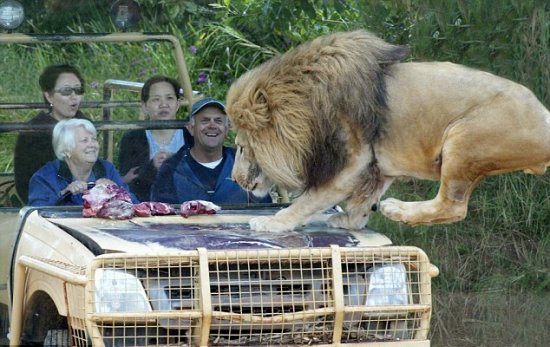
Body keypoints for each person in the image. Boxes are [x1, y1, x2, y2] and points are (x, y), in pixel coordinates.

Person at [151, 98, 272, 204]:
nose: (212, 125)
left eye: (218, 121)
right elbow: (162, 217)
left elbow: (264, 210)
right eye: (205, 120)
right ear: (191, 128)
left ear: (226, 128)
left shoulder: (246, 163)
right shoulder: (171, 168)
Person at [14, 64, 89, 204]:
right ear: (49, 96)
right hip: (49, 205)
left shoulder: (85, 124)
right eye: (66, 91)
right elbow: (26, 185)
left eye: (78, 90)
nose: (74, 97)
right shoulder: (34, 132)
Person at [28, 119, 138, 206]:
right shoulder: (44, 177)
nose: (93, 145)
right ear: (66, 150)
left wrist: (116, 190)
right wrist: (64, 194)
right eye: (85, 140)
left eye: (94, 139)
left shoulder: (106, 169)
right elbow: (36, 214)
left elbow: (136, 205)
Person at [118, 75, 193, 201]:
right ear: (144, 106)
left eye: (169, 98)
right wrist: (152, 167)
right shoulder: (132, 139)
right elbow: (128, 184)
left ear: (178, 103)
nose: (164, 104)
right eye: (156, 99)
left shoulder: (192, 135)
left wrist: (176, 162)